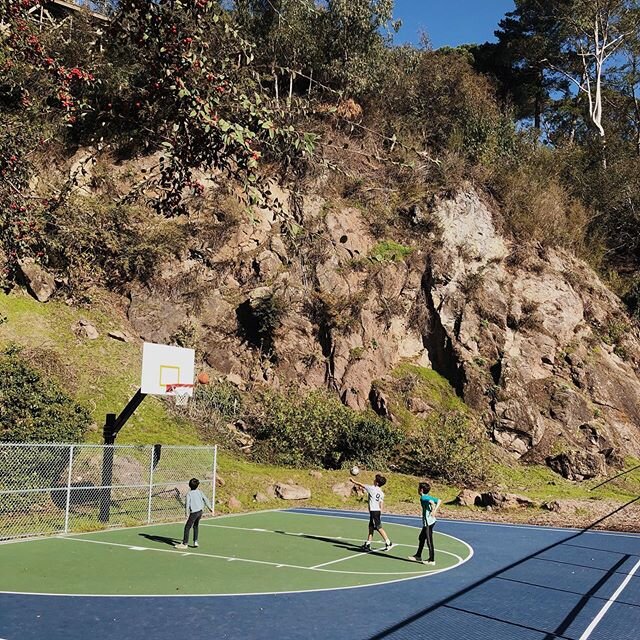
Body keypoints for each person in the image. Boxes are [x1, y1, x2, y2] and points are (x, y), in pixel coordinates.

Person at [350, 473, 394, 551]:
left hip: (374, 511)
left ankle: (388, 542)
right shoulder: (381, 492)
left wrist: (353, 481)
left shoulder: (372, 488)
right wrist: (381, 512)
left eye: (375, 480)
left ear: (377, 483)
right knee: (371, 527)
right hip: (377, 511)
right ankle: (368, 543)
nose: (373, 480)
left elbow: (361, 484)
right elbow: (381, 503)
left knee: (378, 527)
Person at [408, 481, 441, 565]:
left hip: (428, 523)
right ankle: (418, 556)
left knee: (429, 541)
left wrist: (433, 510)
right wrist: (435, 510)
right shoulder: (427, 496)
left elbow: (432, 502)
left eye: (418, 488)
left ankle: (432, 560)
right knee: (421, 538)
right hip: (430, 522)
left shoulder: (423, 498)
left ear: (421, 490)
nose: (418, 489)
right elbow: (439, 500)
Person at [175, 478, 213, 549]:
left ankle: (184, 544)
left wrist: (186, 513)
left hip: (194, 513)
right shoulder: (200, 492)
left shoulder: (189, 494)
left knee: (187, 527)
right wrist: (210, 508)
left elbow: (187, 504)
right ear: (197, 485)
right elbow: (205, 499)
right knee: (195, 526)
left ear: (189, 485)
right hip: (200, 511)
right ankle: (195, 541)